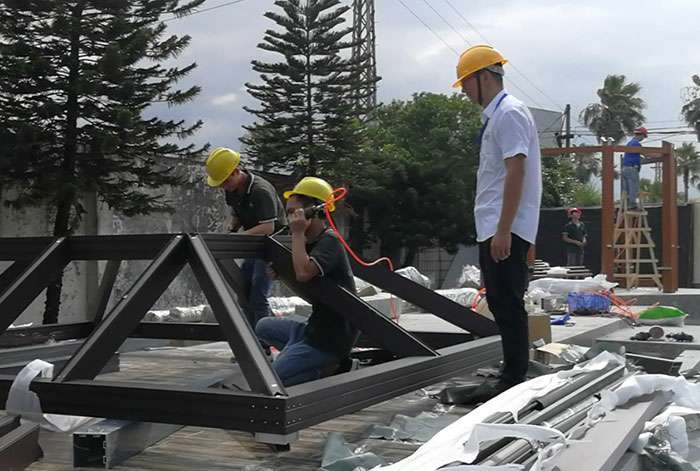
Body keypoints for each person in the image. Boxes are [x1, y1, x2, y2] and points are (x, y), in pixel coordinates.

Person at [453, 45, 542, 401]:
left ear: (484, 77)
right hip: (496, 224)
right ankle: (513, 368)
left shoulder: (509, 113)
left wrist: (505, 230)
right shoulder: (498, 116)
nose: (463, 90)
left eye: (465, 82)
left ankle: (514, 376)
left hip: (504, 226)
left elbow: (516, 171)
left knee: (507, 302)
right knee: (501, 302)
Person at [255, 177, 359, 386]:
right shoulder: (310, 242)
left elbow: (303, 274)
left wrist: (297, 233)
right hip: (313, 328)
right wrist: (281, 272)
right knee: (262, 326)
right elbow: (304, 281)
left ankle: (328, 369)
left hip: (330, 340)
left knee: (272, 381)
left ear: (314, 211)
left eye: (294, 212)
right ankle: (297, 354)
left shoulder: (329, 241)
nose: (290, 219)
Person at [205, 147, 287, 328]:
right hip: (253, 244)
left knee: (258, 296)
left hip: (271, 245)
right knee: (243, 294)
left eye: (225, 181)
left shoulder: (260, 191)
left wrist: (238, 238)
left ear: (236, 172)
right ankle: (253, 335)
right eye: (221, 183)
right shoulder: (232, 188)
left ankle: (262, 340)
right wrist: (232, 229)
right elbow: (236, 212)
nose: (223, 186)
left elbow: (268, 228)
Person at [621, 127, 648, 210]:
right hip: (632, 169)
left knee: (626, 189)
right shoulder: (636, 144)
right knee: (634, 187)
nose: (643, 138)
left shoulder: (630, 143)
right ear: (641, 135)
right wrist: (660, 155)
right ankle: (633, 205)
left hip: (625, 169)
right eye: (644, 136)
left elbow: (637, 156)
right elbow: (646, 154)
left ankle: (625, 205)